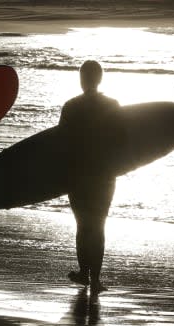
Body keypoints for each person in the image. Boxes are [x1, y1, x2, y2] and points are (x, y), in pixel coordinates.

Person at [58, 60, 125, 293]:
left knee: (83, 225)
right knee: (98, 225)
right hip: (104, 175)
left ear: (82, 79)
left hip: (77, 174)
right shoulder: (113, 105)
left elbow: (61, 143)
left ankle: (84, 273)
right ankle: (95, 279)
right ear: (100, 79)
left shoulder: (70, 107)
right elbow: (121, 141)